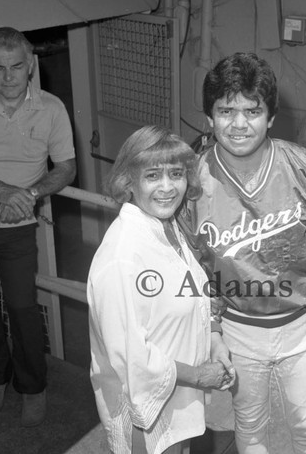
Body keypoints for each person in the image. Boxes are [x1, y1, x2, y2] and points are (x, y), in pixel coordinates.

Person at [179, 52, 306, 454]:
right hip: (238, 330)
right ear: (209, 117)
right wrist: (211, 333)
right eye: (226, 110)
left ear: (271, 116)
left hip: (303, 327)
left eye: (252, 110)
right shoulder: (189, 185)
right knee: (249, 429)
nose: (239, 124)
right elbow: (193, 271)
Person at [87, 125, 235, 454]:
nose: (167, 187)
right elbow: (134, 360)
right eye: (153, 175)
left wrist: (213, 337)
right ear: (129, 181)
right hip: (147, 414)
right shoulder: (122, 258)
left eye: (177, 174)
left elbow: (190, 292)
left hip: (177, 399)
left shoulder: (165, 227)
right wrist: (199, 376)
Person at [0, 27, 76, 427]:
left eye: (17, 66)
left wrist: (28, 193)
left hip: (18, 228)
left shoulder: (52, 109)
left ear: (31, 65)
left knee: (22, 310)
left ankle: (32, 386)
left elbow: (66, 169)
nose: (8, 77)